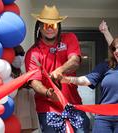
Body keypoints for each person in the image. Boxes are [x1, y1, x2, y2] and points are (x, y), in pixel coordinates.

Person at [61, 34, 118, 133]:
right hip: (103, 118)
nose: (116, 51)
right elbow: (86, 80)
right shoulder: (106, 66)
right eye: (114, 49)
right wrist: (68, 80)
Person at [25, 5, 90, 133]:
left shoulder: (69, 38)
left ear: (58, 26)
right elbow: (34, 82)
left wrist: (59, 70)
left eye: (53, 25)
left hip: (73, 105)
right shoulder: (33, 53)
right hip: (48, 109)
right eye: (45, 25)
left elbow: (75, 62)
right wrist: (48, 93)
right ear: (39, 27)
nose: (49, 29)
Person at [11, 45, 39, 133]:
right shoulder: (5, 74)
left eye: (22, 54)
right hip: (13, 116)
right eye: (17, 54)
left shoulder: (24, 72)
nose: (20, 57)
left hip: (27, 117)